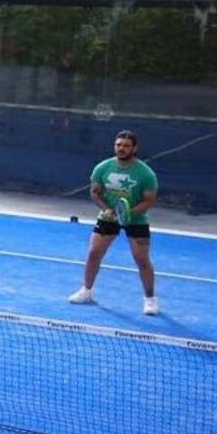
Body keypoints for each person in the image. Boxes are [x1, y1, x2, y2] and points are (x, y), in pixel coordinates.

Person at [70, 129, 161, 316]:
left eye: (126, 146)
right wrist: (106, 209)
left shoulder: (146, 174)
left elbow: (149, 200)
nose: (121, 148)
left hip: (136, 219)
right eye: (118, 145)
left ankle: (150, 300)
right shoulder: (102, 168)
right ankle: (86, 291)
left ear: (134, 148)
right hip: (108, 217)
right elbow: (95, 193)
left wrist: (127, 214)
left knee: (141, 259)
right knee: (94, 253)